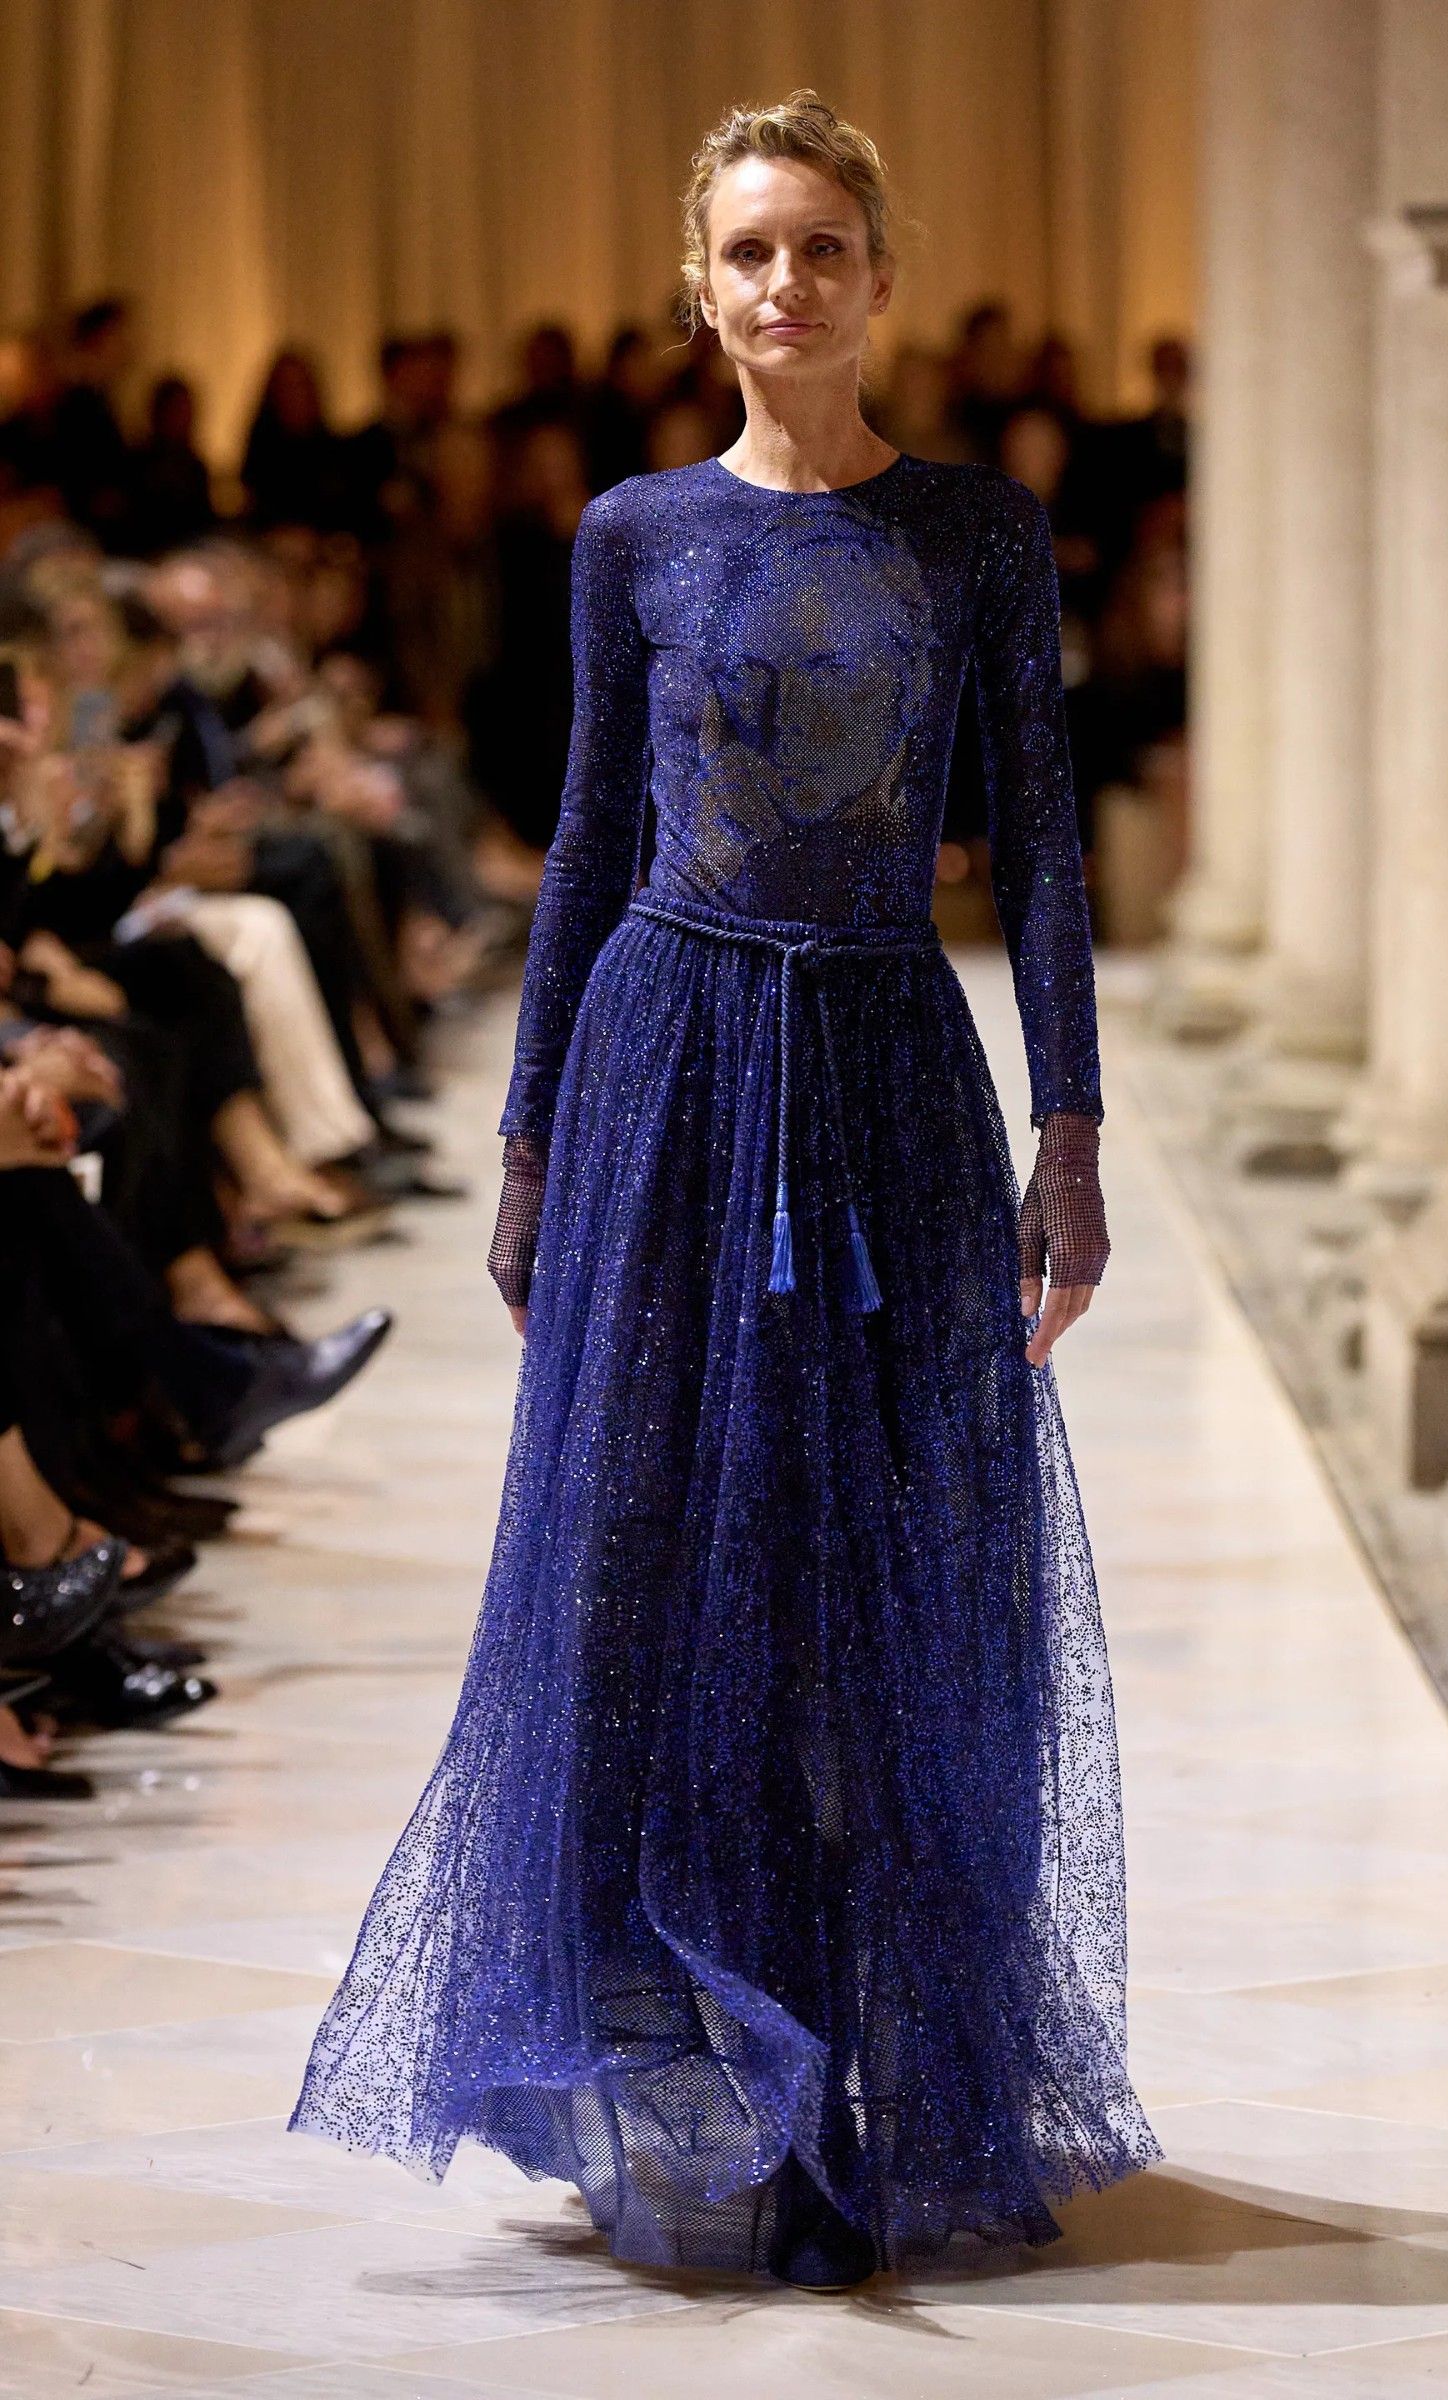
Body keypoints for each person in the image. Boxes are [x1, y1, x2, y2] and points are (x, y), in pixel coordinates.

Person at [291, 87, 1160, 2291]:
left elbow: (1043, 852)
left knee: (883, 1571)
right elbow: (589, 843)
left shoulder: (976, 531)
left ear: (880, 279)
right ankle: (683, 2069)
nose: (787, 283)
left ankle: (853, 2072)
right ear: (699, 288)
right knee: (652, 1564)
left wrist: (1068, 1135)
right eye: (750, 251)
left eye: (822, 247)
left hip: (885, 1070)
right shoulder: (633, 535)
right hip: (667, 1073)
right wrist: (524, 1142)